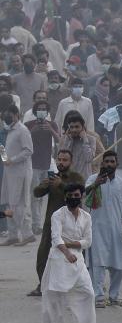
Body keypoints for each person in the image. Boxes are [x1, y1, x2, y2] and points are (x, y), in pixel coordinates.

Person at [41, 183, 100, 323]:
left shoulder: (86, 217)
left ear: (82, 196)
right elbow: (55, 238)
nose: (73, 198)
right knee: (54, 303)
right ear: (65, 197)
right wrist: (67, 251)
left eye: (76, 195)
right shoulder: (58, 215)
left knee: (88, 294)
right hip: (59, 261)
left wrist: (70, 244)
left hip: (78, 261)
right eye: (70, 195)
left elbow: (87, 241)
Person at [29, 150, 85, 297]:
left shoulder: (76, 177)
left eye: (65, 160)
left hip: (71, 225)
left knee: (73, 256)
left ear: (70, 162)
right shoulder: (53, 177)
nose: (61, 162)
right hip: (51, 223)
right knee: (43, 255)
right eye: (59, 159)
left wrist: (62, 185)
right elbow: (36, 193)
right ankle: (43, 285)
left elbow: (78, 193)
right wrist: (44, 185)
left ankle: (73, 286)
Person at [84, 151, 122, 307]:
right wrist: (96, 184)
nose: (109, 164)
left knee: (118, 266)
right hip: (96, 229)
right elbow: (84, 198)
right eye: (106, 162)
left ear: (117, 164)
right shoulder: (92, 180)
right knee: (97, 265)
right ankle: (98, 297)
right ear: (102, 164)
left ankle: (114, 296)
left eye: (112, 161)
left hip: (115, 230)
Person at [1, 106, 35, 245]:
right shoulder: (10, 130)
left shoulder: (22, 130)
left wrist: (13, 160)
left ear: (16, 115)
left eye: (9, 114)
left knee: (20, 204)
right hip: (9, 172)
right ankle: (13, 235)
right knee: (9, 202)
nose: (6, 118)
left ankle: (27, 234)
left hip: (21, 172)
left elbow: (29, 150)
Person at [26, 99, 60, 235]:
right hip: (33, 164)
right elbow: (25, 140)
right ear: (35, 111)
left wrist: (51, 129)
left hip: (47, 164)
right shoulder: (28, 125)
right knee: (35, 196)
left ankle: (43, 223)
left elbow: (59, 139)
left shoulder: (52, 124)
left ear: (47, 112)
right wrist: (32, 131)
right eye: (39, 108)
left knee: (46, 196)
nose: (42, 111)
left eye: (44, 109)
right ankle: (35, 224)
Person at [58, 113, 104, 178]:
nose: (74, 130)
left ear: (82, 127)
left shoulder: (91, 139)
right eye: (71, 127)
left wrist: (85, 139)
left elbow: (88, 158)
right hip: (69, 178)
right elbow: (63, 158)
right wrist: (69, 141)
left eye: (77, 127)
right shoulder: (67, 139)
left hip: (84, 179)